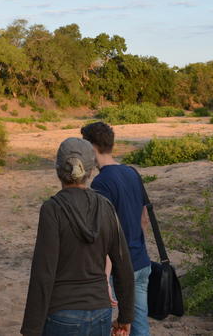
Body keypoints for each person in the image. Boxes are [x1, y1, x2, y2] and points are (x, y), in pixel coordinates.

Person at [21, 137, 134, 336]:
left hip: (62, 314)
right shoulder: (105, 206)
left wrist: (31, 329)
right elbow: (123, 264)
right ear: (90, 171)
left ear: (58, 170)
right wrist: (125, 317)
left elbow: (43, 272)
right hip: (101, 311)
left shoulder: (52, 209)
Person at [82, 121, 151, 336]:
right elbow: (144, 219)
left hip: (119, 269)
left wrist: (105, 276)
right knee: (139, 327)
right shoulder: (132, 172)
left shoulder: (101, 183)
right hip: (141, 261)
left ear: (92, 148)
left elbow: (105, 233)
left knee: (105, 326)